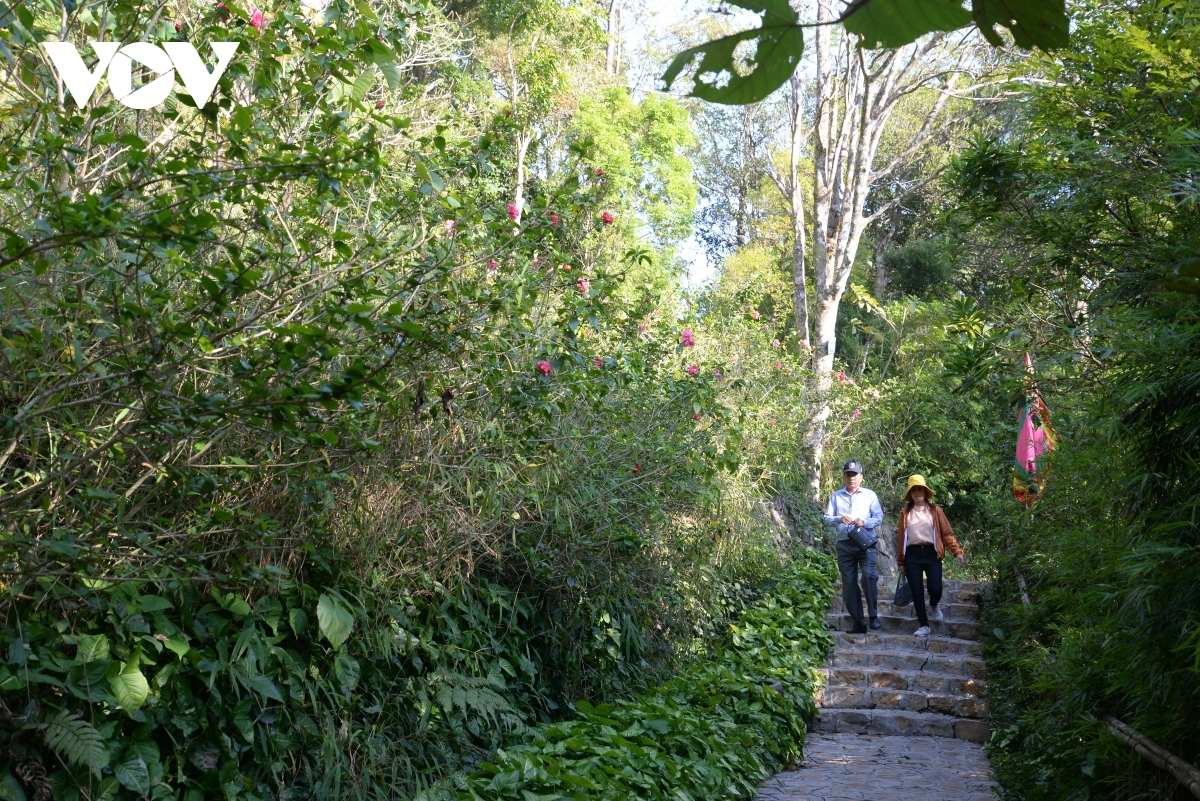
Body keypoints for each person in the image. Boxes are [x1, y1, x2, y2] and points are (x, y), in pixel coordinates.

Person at [895, 474, 965, 637]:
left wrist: (957, 551)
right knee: (917, 590)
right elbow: (901, 538)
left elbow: (947, 533)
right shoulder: (905, 513)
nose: (917, 493)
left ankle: (934, 604)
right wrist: (901, 561)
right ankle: (924, 625)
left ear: (925, 492)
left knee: (935, 588)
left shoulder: (935, 511)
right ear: (910, 494)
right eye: (914, 490)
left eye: (920, 489)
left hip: (931, 553)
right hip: (912, 555)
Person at [824, 459, 884, 633]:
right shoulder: (835, 496)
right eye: (848, 474)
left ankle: (873, 615)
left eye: (855, 475)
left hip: (865, 543)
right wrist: (839, 519)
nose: (852, 478)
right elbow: (827, 518)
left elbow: (879, 517)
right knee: (849, 583)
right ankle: (859, 622)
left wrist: (863, 522)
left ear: (861, 477)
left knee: (869, 576)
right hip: (844, 544)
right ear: (844, 477)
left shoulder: (870, 495)